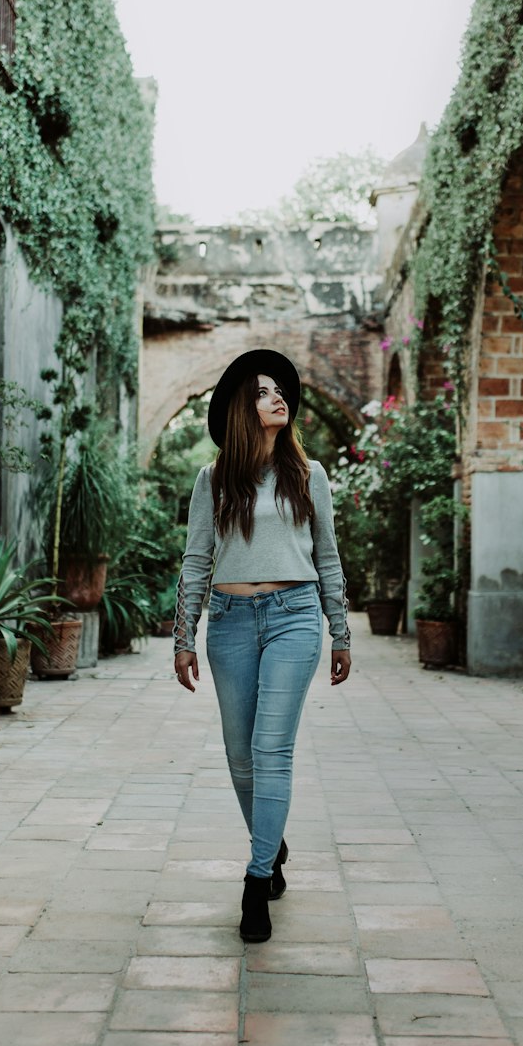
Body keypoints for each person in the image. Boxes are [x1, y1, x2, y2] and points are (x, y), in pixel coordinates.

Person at [173, 349, 351, 943]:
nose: (279, 398)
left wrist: (340, 630)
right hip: (227, 621)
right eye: (262, 392)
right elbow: (197, 560)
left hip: (293, 617)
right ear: (240, 410)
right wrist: (184, 634)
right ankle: (271, 843)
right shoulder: (213, 480)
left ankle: (255, 881)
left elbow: (326, 557)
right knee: (241, 756)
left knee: (271, 750)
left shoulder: (310, 476)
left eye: (281, 391)